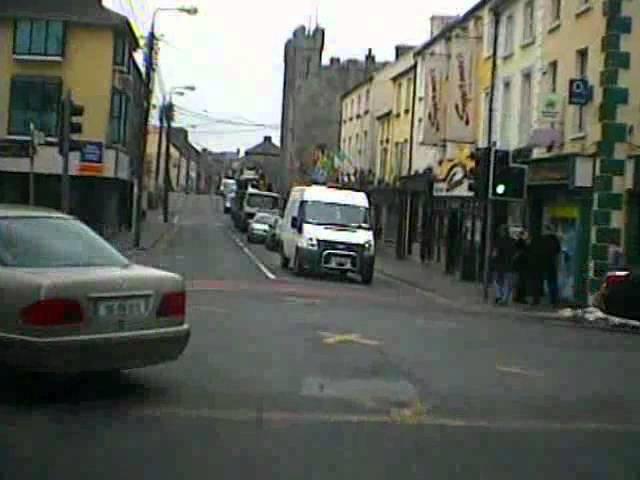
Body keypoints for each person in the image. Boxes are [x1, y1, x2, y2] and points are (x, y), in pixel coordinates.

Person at [529, 225, 562, 306]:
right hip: (550, 263)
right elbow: (558, 250)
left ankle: (536, 300)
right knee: (552, 282)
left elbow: (533, 249)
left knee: (537, 282)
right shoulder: (554, 239)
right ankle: (554, 301)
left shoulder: (539, 239)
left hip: (539, 263)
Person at [492, 225, 516, 305]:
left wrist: (493, 258)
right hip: (509, 264)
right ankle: (505, 299)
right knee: (507, 282)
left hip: (499, 264)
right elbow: (515, 253)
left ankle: (499, 296)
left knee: (497, 281)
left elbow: (495, 253)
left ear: (502, 232)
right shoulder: (512, 241)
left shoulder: (498, 241)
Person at [512, 229, 529, 303]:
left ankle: (517, 297)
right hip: (522, 265)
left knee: (518, 281)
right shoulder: (522, 243)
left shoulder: (517, 242)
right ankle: (520, 297)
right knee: (522, 282)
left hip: (518, 265)